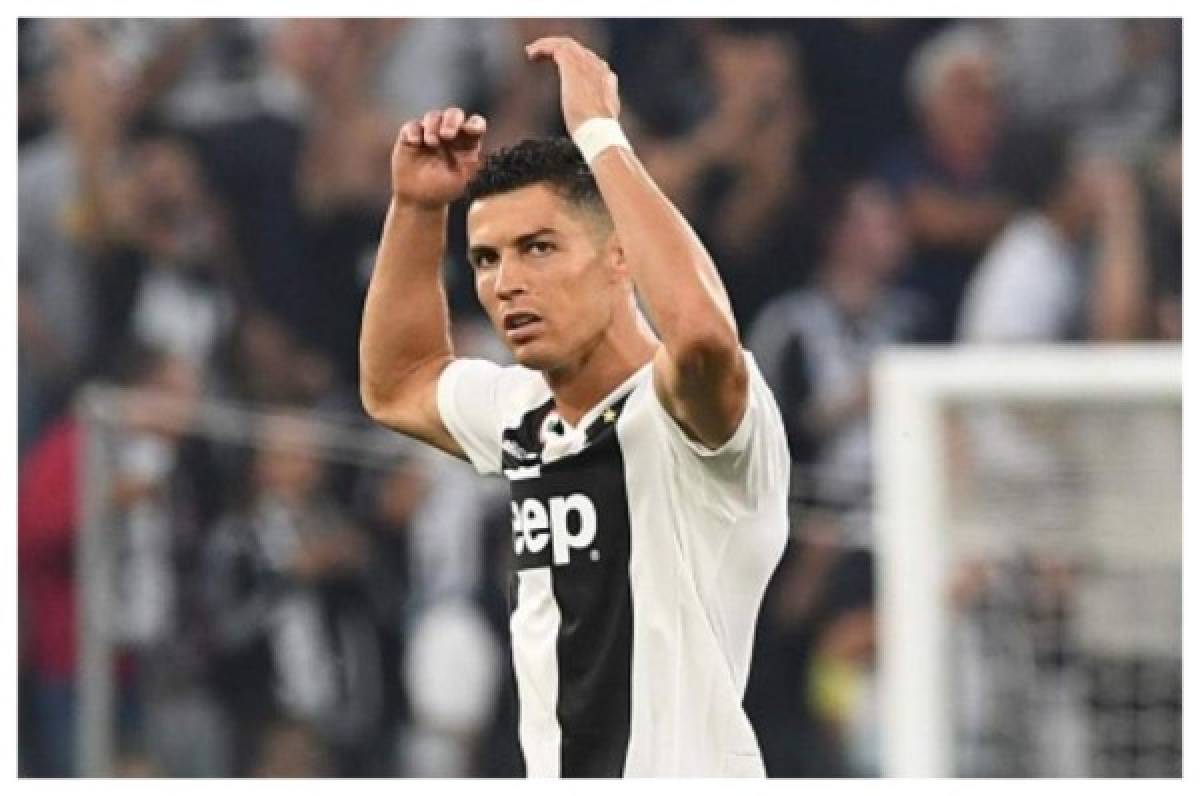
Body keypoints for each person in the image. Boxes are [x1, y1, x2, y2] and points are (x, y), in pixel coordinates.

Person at [358, 36, 789, 777]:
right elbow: (398, 384)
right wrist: (418, 208)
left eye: (539, 248)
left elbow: (701, 335)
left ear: (620, 255)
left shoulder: (688, 417)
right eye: (487, 259)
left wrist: (599, 134)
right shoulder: (524, 414)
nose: (506, 283)